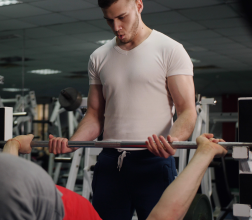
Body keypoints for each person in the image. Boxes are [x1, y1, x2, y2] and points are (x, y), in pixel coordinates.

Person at [48, 0, 197, 219]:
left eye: (122, 17)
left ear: (138, 5)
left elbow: (187, 111)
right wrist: (72, 143)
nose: (116, 26)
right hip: (110, 163)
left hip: (153, 161)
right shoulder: (98, 57)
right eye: (109, 20)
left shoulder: (170, 50)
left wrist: (172, 140)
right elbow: (95, 115)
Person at [0, 134, 226, 220]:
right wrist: (12, 148)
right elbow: (0, 181)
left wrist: (204, 155)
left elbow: (168, 211)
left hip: (23, 194)